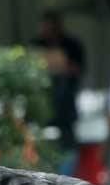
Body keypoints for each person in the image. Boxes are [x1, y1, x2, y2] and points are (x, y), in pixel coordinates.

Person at [30, 10, 85, 175]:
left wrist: (60, 64)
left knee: (68, 150)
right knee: (41, 150)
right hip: (41, 109)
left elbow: (78, 70)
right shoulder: (36, 44)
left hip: (65, 106)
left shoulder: (72, 45)